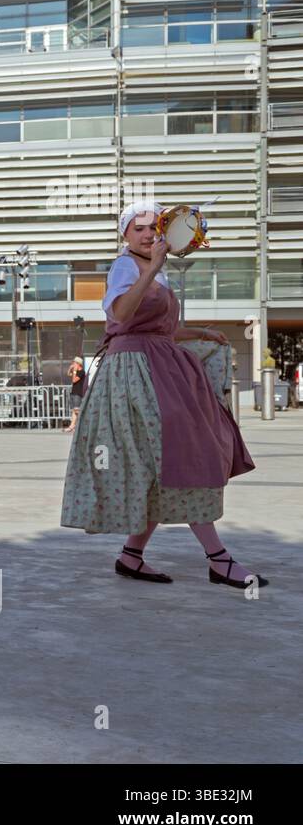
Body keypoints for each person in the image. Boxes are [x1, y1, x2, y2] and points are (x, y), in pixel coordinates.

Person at [61, 201, 262, 588]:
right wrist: (151, 266)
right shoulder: (126, 266)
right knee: (176, 451)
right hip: (133, 369)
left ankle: (131, 556)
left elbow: (160, 329)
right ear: (125, 235)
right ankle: (218, 558)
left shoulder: (158, 273)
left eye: (155, 227)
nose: (149, 234)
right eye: (139, 229)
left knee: (162, 460)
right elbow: (120, 314)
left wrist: (202, 333)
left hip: (158, 361)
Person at [63, 357, 86, 433]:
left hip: (78, 393)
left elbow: (74, 380)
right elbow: (68, 374)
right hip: (73, 392)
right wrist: (70, 369)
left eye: (74, 363)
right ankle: (72, 426)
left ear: (78, 364)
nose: (73, 364)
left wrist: (75, 371)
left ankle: (83, 424)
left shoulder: (81, 372)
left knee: (77, 410)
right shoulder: (75, 371)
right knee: (74, 411)